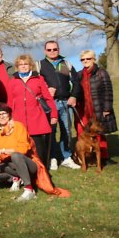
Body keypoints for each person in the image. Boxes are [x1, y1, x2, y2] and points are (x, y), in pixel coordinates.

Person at [5, 54, 58, 171]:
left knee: (38, 148)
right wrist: (8, 118)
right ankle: (24, 170)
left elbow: (48, 98)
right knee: (21, 147)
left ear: (31, 65)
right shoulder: (12, 81)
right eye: (21, 64)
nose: (23, 66)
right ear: (17, 66)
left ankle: (41, 170)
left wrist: (54, 115)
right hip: (19, 119)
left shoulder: (39, 79)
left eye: (26, 64)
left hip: (36, 118)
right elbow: (9, 101)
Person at [37, 41, 81, 170]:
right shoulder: (39, 65)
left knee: (66, 131)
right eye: (49, 50)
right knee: (51, 131)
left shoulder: (66, 64)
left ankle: (66, 157)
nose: (52, 52)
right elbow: (36, 85)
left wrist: (74, 96)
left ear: (59, 49)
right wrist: (45, 90)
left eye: (54, 49)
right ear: (45, 51)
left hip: (66, 102)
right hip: (49, 104)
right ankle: (52, 158)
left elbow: (76, 82)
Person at [0, 103, 39, 202]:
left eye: (4, 113)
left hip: (27, 163)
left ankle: (29, 189)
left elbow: (23, 149)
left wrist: (3, 151)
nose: (1, 116)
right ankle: (15, 178)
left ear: (9, 114)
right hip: (10, 165)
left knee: (15, 155)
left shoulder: (18, 126)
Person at [75, 50, 115, 162]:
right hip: (83, 109)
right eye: (83, 59)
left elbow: (108, 91)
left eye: (88, 58)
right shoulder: (79, 74)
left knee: (99, 132)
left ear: (93, 59)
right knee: (82, 132)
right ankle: (84, 156)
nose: (85, 61)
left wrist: (107, 108)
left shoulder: (101, 73)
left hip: (97, 108)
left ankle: (104, 156)